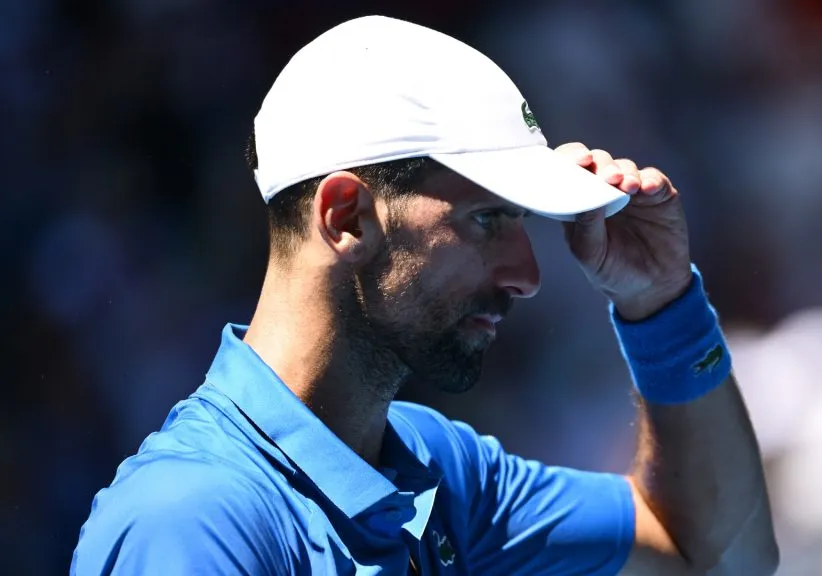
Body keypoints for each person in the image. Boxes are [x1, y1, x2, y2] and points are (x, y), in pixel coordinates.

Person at [72, 15, 779, 575]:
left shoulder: (440, 469)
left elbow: (714, 553)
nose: (527, 275)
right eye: (486, 219)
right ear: (345, 219)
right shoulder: (190, 523)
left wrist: (661, 303)